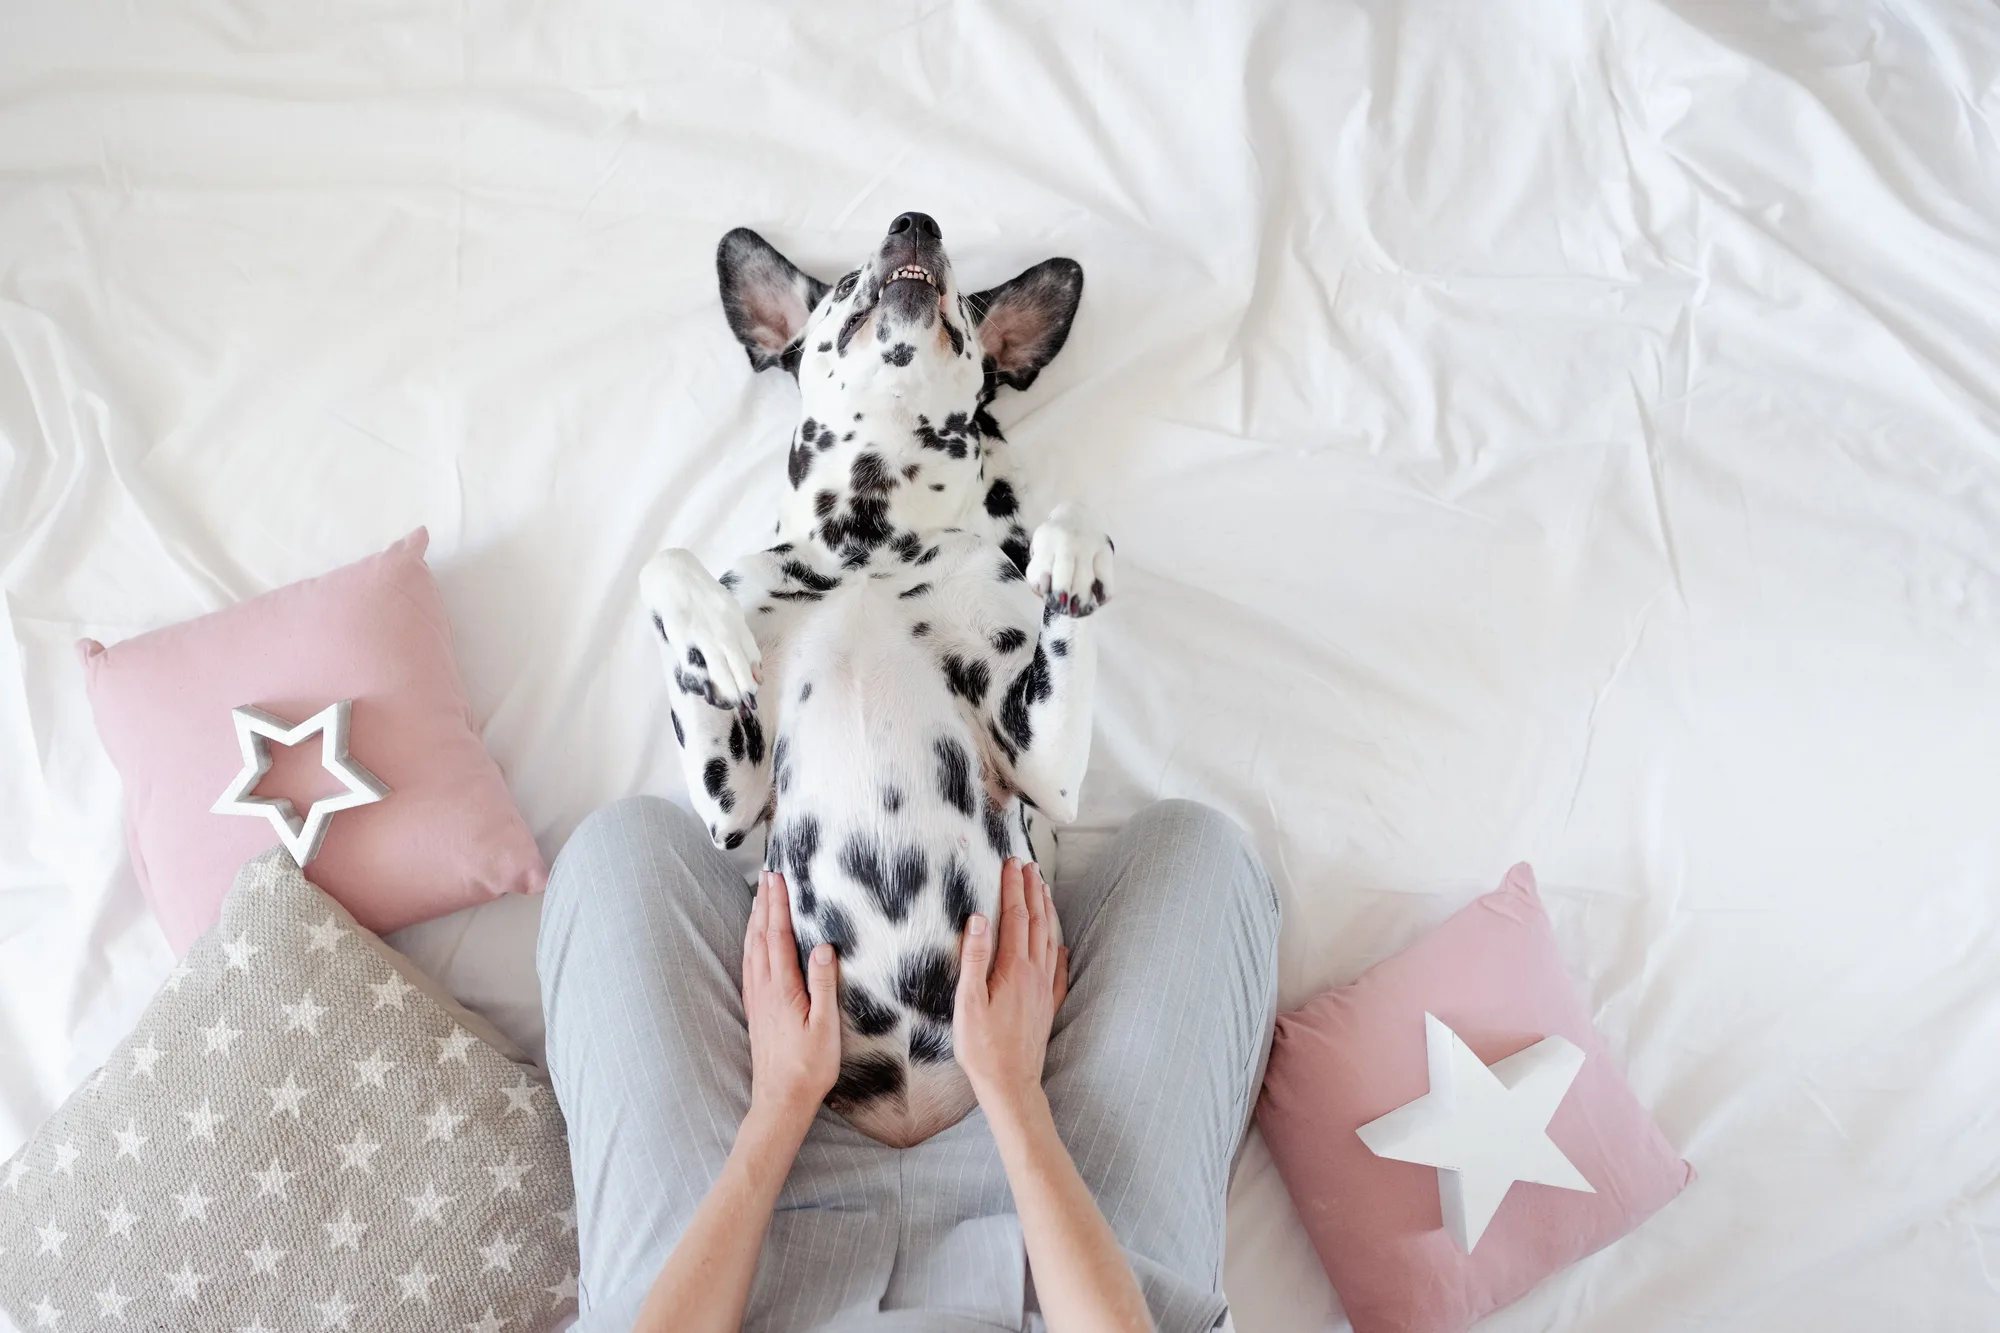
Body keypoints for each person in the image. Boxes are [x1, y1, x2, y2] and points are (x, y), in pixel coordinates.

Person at [537, 797, 1279, 1332]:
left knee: (618, 854)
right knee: (1198, 855)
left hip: (744, 1267)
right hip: (1062, 1265)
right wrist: (1014, 1091)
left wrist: (779, 1103)